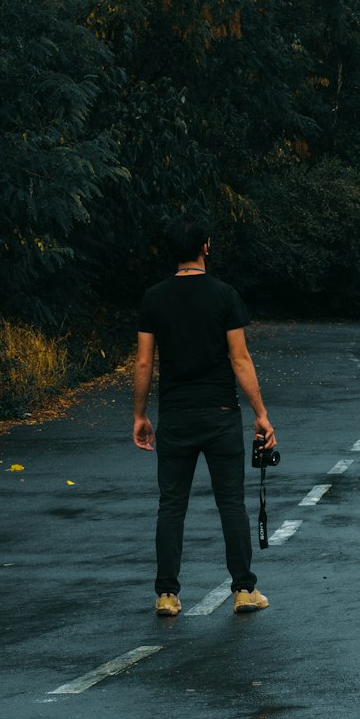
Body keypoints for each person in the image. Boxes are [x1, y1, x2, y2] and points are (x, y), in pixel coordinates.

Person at [133, 215, 276, 618]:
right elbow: (240, 358)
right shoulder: (224, 295)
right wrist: (261, 414)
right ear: (205, 247)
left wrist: (140, 414)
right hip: (220, 414)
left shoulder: (154, 298)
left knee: (171, 505)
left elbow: (144, 363)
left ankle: (166, 594)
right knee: (231, 502)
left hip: (175, 416)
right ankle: (244, 590)